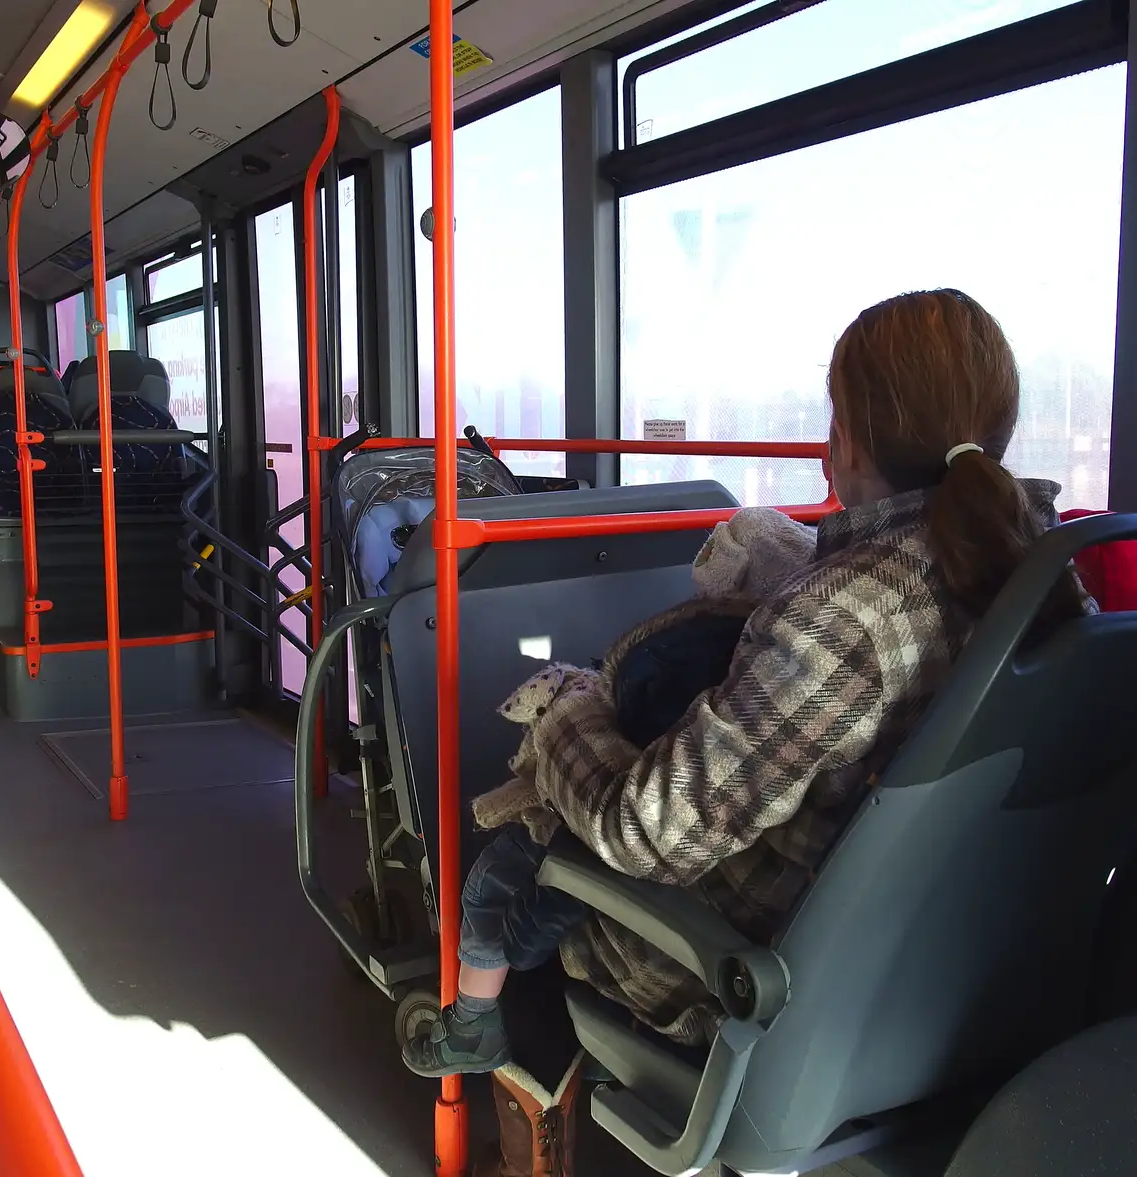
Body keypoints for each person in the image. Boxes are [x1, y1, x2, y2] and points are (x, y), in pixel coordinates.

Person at [441, 289, 1094, 1176]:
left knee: (536, 837)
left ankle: (504, 1068)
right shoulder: (1046, 574)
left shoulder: (847, 615)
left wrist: (568, 708)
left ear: (848, 439)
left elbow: (645, 833)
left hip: (739, 974)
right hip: (952, 969)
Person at [402, 508, 820, 1079]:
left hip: (662, 889)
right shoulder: (797, 680)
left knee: (491, 881)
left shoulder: (690, 654)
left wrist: (566, 702)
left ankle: (474, 1022)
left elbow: (640, 827)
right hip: (772, 920)